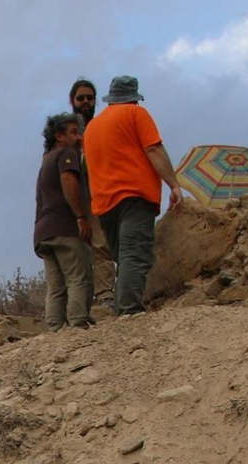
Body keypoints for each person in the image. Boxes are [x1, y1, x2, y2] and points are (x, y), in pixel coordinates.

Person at [82, 75, 185, 316]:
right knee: (134, 254)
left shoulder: (92, 128)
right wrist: (174, 185)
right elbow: (153, 149)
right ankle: (129, 312)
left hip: (104, 205)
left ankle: (123, 309)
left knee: (123, 258)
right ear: (134, 98)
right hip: (134, 196)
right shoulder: (137, 114)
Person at [35, 112, 95, 329]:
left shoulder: (45, 162)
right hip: (64, 227)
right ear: (59, 136)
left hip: (43, 232)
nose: (79, 138)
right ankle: (79, 324)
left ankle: (55, 330)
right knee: (79, 277)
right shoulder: (66, 155)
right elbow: (68, 181)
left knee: (56, 286)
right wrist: (81, 216)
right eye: (73, 132)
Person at [68, 77, 118, 315]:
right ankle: (78, 305)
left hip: (100, 187)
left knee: (101, 243)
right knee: (75, 249)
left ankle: (106, 295)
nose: (86, 102)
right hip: (74, 192)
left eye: (90, 98)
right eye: (81, 98)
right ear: (72, 101)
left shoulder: (101, 125)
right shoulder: (65, 131)